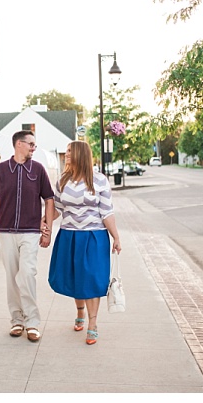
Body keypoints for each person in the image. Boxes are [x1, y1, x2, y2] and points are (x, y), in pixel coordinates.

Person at [0, 131, 55, 342]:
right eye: (31, 144)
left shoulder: (38, 169)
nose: (34, 148)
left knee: (28, 273)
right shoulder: (1, 169)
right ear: (19, 144)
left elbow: (49, 200)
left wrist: (47, 229)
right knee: (12, 276)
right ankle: (17, 320)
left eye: (34, 144)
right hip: (6, 231)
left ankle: (32, 322)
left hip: (30, 232)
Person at [47, 141, 122, 345]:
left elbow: (107, 212)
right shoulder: (62, 181)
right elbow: (57, 210)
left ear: (81, 154)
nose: (67, 154)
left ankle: (93, 324)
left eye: (70, 151)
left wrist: (116, 237)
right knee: (75, 277)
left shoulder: (99, 180)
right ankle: (80, 312)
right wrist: (42, 221)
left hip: (94, 237)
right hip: (69, 236)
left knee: (91, 280)